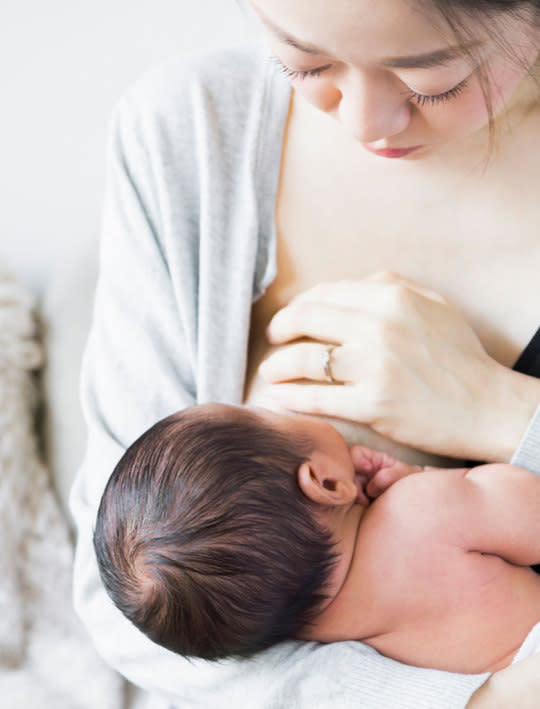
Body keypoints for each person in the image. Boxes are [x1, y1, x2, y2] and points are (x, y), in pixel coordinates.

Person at [70, 0, 540, 706]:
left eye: (433, 80)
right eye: (302, 60)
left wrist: (503, 413)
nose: (363, 122)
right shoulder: (191, 132)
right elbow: (133, 604)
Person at [93, 402, 540, 675]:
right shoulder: (424, 507)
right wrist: (431, 479)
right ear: (324, 482)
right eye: (264, 415)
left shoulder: (322, 636)